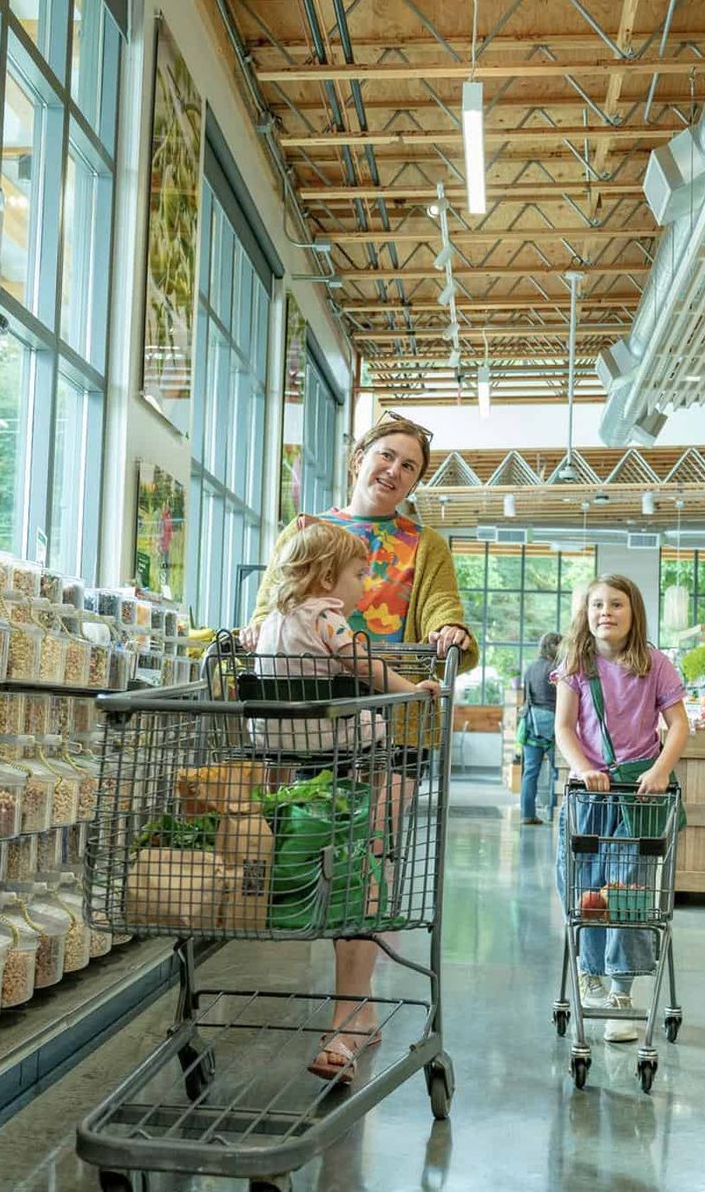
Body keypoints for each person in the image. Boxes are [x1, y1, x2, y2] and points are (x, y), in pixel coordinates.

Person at [241, 413, 477, 1083]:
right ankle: (363, 1008)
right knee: (302, 852)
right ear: (358, 457)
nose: (395, 471)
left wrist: (451, 630)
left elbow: (442, 608)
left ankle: (344, 1022)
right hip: (305, 724)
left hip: (389, 727)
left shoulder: (422, 543)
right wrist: (246, 636)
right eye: (387, 455)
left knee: (366, 854)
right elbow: (268, 607)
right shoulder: (308, 528)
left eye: (410, 466)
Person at [553, 574, 689, 1040]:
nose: (605, 612)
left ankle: (621, 989)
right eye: (596, 605)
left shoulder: (655, 664)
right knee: (587, 889)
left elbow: (679, 726)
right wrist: (583, 767)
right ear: (585, 613)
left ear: (634, 614)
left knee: (628, 892)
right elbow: (565, 728)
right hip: (588, 793)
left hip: (639, 794)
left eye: (616, 604)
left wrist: (661, 769)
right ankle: (589, 973)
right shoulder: (575, 663)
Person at [254, 521, 440, 753]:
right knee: (377, 724)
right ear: (327, 577)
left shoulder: (273, 619)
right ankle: (362, 789)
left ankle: (274, 788)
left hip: (266, 733)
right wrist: (413, 691)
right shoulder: (325, 617)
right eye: (359, 575)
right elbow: (363, 667)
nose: (364, 585)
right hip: (315, 733)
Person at [519, 632, 562, 825]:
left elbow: (525, 698)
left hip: (530, 725)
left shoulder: (530, 669)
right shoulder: (556, 669)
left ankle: (527, 814)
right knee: (558, 771)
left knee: (530, 772)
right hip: (554, 728)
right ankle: (555, 812)